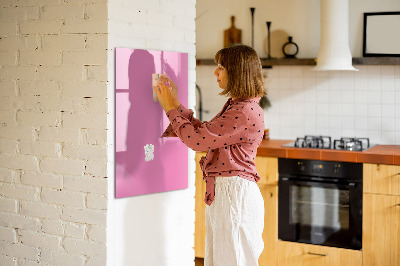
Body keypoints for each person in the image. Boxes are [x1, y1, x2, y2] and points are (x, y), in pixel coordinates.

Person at [153, 44, 266, 266]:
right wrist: (175, 104)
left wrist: (169, 108)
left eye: (221, 67)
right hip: (228, 193)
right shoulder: (239, 106)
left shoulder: (243, 111)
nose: (215, 72)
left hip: (234, 195)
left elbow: (197, 141)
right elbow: (205, 134)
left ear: (237, 71)